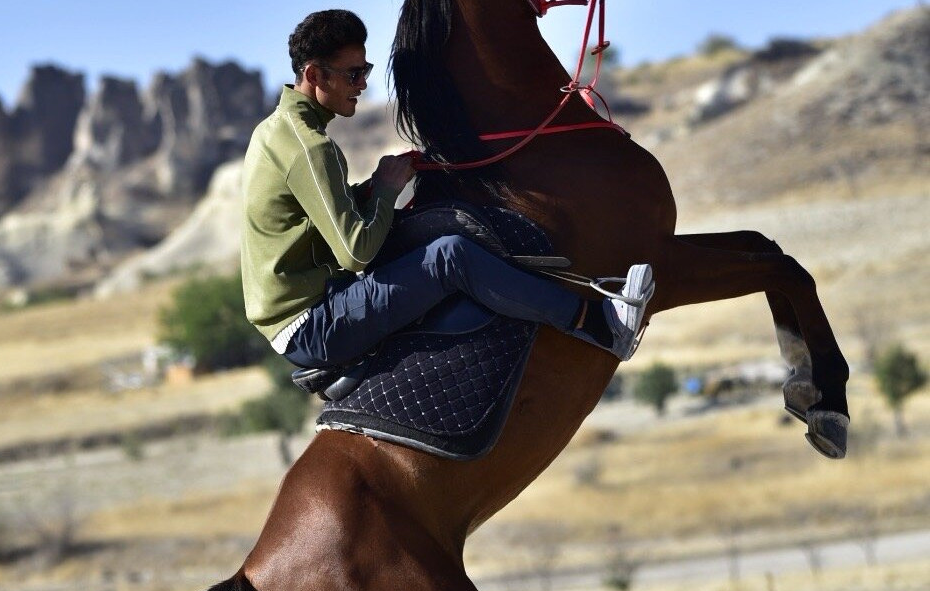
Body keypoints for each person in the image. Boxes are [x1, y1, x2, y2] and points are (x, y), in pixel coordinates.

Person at [240, 9, 654, 371]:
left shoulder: (277, 130)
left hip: (313, 303)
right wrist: (384, 192)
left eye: (364, 71)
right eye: (353, 74)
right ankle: (599, 325)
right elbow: (354, 252)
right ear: (314, 75)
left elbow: (318, 218)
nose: (363, 84)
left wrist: (381, 183)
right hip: (311, 324)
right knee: (449, 257)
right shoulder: (309, 147)